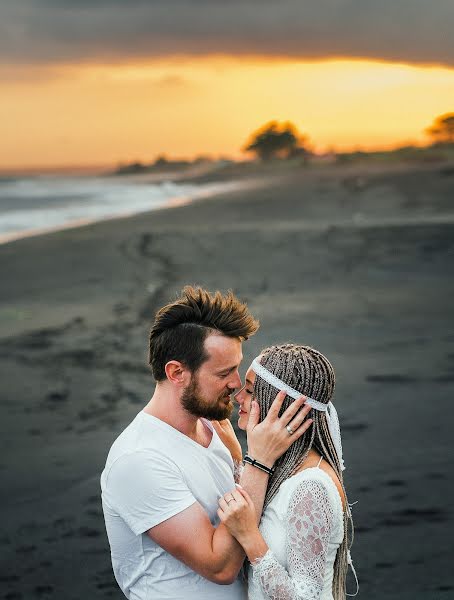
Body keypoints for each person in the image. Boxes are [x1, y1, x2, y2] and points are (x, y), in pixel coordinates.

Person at [100, 288, 313, 600]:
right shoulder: (139, 459)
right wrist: (259, 461)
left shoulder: (210, 428)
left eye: (237, 368)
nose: (237, 383)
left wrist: (240, 462)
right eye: (224, 372)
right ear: (176, 373)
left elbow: (234, 517)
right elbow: (220, 566)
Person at [218, 343, 358, 600]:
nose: (238, 397)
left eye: (249, 391)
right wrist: (240, 458)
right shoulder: (283, 470)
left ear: (277, 403)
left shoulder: (311, 486)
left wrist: (250, 537)